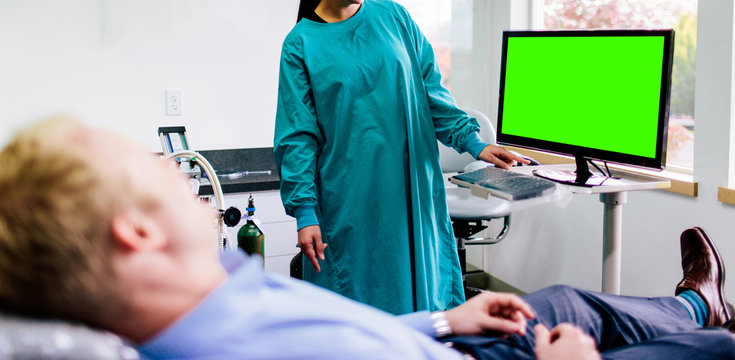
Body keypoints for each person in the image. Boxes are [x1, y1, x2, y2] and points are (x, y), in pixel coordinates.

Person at [0, 118, 734, 360]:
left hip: (444, 340)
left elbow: (339, 330)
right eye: (147, 165)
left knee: (571, 299)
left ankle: (699, 303)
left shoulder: (209, 295)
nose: (171, 165)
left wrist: (444, 319)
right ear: (134, 232)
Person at [274, 0, 528, 315]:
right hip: (350, 196)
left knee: (423, 297)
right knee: (360, 303)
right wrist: (305, 212)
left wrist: (474, 143)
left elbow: (431, 91)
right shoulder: (301, 43)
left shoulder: (393, 15)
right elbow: (297, 136)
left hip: (411, 189)